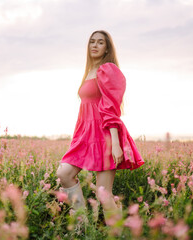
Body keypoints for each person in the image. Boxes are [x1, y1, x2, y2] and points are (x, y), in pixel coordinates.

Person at [56, 30, 145, 226]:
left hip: (104, 136)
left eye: (100, 43)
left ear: (107, 48)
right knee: (64, 174)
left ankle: (118, 234)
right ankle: (82, 225)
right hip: (85, 136)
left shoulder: (108, 70)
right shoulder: (89, 72)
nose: (95, 45)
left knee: (104, 194)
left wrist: (115, 143)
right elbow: (84, 111)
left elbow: (111, 108)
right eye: (92, 42)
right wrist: (76, 139)